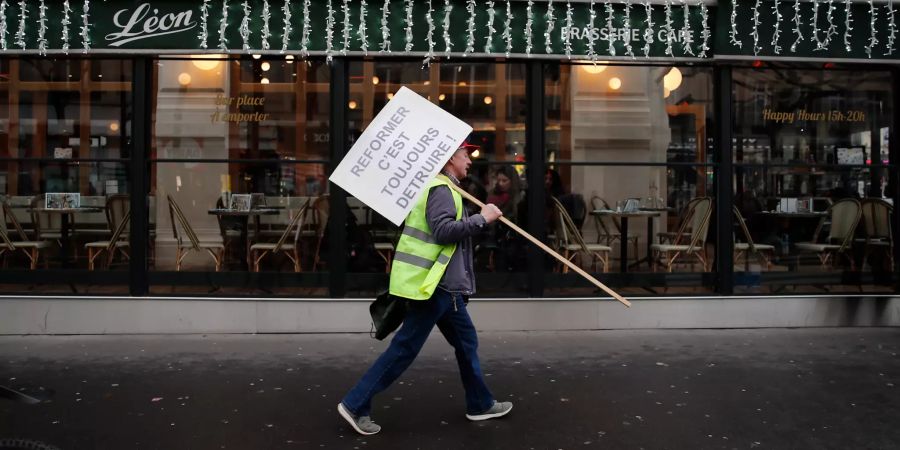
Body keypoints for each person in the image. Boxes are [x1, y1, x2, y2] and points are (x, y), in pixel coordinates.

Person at [337, 145, 512, 436]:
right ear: (448, 160)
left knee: (466, 342)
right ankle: (355, 404)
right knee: (404, 349)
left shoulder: (447, 188)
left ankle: (480, 403)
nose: (469, 160)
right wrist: (483, 218)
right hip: (435, 287)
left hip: (444, 286)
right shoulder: (441, 190)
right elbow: (443, 231)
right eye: (464, 154)